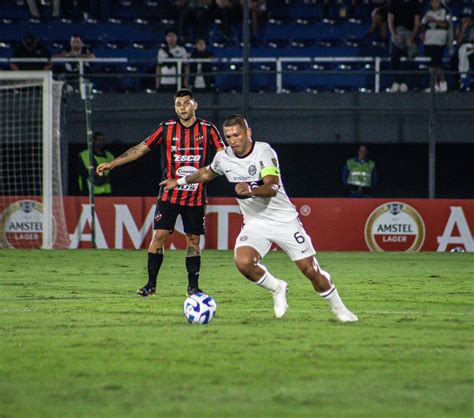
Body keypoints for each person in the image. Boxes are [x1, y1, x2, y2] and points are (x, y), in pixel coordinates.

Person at [160, 115, 358, 322]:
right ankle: (277, 287)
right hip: (255, 223)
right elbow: (206, 173)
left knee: (311, 271)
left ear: (248, 133)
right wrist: (179, 181)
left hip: (284, 221)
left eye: (236, 135)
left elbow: (272, 186)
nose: (232, 140)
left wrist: (251, 190)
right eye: (228, 136)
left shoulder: (264, 151)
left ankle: (339, 309)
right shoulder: (223, 157)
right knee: (244, 262)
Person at [96, 89, 225, 296]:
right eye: (178, 104)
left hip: (195, 195)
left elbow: (222, 155)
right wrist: (112, 164)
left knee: (193, 240)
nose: (182, 108)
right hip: (169, 194)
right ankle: (151, 284)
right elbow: (140, 149)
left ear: (195, 105)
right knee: (159, 235)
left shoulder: (208, 129)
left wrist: (216, 170)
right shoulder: (166, 129)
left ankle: (193, 287)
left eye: (186, 103)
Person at [387, 0, 421, 92]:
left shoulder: (415, 3)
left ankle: (405, 83)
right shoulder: (394, 3)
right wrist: (394, 35)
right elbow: (390, 20)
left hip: (410, 33)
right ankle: (397, 81)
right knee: (394, 56)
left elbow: (416, 23)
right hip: (398, 32)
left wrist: (412, 37)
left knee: (410, 55)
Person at [421, 0, 450, 92]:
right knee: (431, 63)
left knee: (437, 62)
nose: (434, 4)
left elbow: (445, 24)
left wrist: (433, 20)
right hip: (428, 41)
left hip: (439, 41)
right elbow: (422, 25)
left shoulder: (444, 11)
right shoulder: (428, 13)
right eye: (432, 2)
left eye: (436, 2)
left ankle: (442, 83)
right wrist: (422, 35)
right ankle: (434, 85)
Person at [78, 132, 115, 196]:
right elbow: (86, 173)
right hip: (89, 192)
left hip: (106, 192)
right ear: (94, 141)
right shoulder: (85, 154)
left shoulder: (110, 156)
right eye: (99, 140)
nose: (101, 142)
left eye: (103, 140)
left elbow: (113, 174)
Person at [456, 7, 474, 90]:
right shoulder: (460, 26)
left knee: (463, 49)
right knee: (462, 49)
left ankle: (463, 76)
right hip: (465, 48)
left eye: (468, 17)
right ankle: (464, 78)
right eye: (464, 17)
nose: (466, 19)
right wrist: (463, 29)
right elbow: (458, 42)